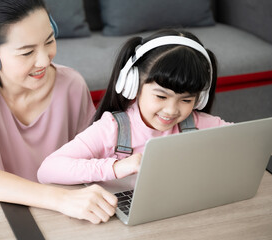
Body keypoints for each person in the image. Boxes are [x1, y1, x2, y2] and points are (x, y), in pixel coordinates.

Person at [0, 0, 118, 238]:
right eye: (27, 52)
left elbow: (90, 161)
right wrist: (60, 198)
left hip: (52, 211)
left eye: (49, 41)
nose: (44, 60)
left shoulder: (72, 84)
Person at [37, 29, 231, 185]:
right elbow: (48, 169)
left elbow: (248, 142)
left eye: (186, 100)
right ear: (133, 84)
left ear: (200, 97)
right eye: (161, 96)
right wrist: (116, 167)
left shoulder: (198, 123)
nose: (172, 110)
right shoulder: (112, 129)